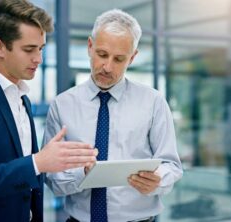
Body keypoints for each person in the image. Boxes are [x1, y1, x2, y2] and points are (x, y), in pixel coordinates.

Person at [0, 0, 97, 221]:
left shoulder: (22, 99)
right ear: (0, 47)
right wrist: (36, 163)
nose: (39, 59)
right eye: (29, 49)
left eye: (41, 48)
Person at [44, 9, 183, 222]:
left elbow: (172, 166)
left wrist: (158, 180)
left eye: (119, 59)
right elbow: (52, 181)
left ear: (132, 57)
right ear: (90, 47)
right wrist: (84, 172)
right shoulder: (62, 105)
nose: (107, 67)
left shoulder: (153, 102)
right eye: (102, 54)